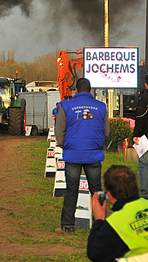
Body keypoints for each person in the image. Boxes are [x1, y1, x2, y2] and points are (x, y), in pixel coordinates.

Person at [87, 165, 148, 262]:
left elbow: (94, 254)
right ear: (135, 187)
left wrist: (99, 219)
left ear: (109, 194)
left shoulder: (117, 222)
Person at [55, 78, 110, 232]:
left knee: (71, 191)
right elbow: (106, 132)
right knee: (97, 191)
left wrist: (64, 145)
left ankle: (67, 225)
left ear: (76, 90)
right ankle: (100, 226)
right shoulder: (101, 107)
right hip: (94, 155)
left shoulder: (65, 106)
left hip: (73, 155)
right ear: (90, 90)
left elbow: (59, 131)